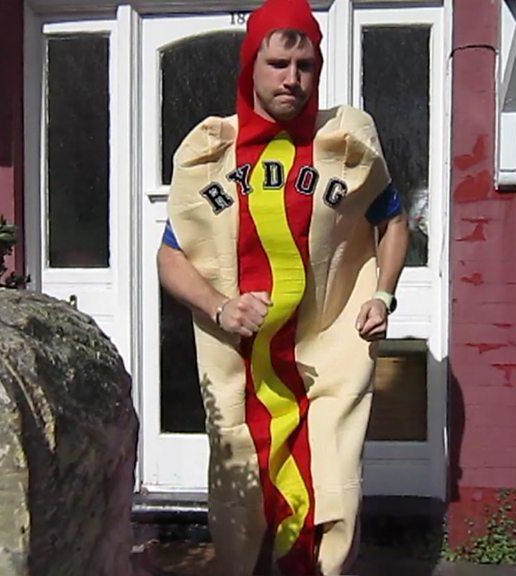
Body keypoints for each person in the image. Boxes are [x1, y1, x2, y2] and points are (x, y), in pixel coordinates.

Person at [157, 0, 408, 573]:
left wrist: (384, 293)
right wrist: (220, 308)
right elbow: (170, 258)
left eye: (306, 64)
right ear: (251, 67)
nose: (293, 78)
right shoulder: (212, 156)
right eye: (278, 63)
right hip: (240, 364)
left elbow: (391, 221)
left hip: (326, 355)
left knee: (333, 488)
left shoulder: (346, 146)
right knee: (242, 502)